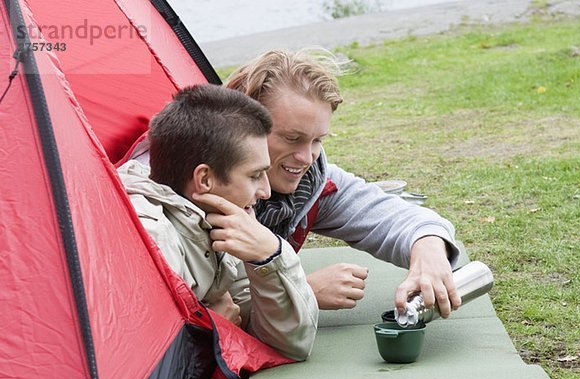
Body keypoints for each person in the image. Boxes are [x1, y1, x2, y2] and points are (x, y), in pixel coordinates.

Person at [224, 49, 463, 317]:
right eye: (292, 138)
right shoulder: (200, 194)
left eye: (317, 140)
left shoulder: (311, 183)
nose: (306, 158)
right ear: (241, 126)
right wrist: (304, 291)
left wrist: (428, 246)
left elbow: (393, 218)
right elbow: (204, 309)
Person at [118, 84, 318, 361]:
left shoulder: (214, 218)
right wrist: (211, 330)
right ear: (204, 180)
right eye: (254, 175)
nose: (265, 192)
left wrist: (269, 257)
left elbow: (290, 343)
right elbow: (136, 366)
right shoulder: (152, 236)